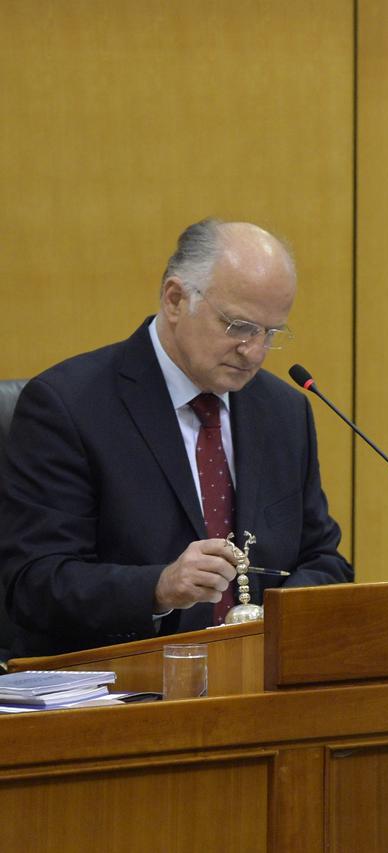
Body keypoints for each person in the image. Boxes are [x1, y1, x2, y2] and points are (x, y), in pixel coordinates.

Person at [0, 219, 354, 657]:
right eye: (239, 326)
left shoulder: (283, 410)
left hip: (259, 684)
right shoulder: (69, 405)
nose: (255, 352)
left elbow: (324, 560)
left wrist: (271, 617)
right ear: (175, 299)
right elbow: (34, 584)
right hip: (123, 688)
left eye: (271, 333)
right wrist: (159, 588)